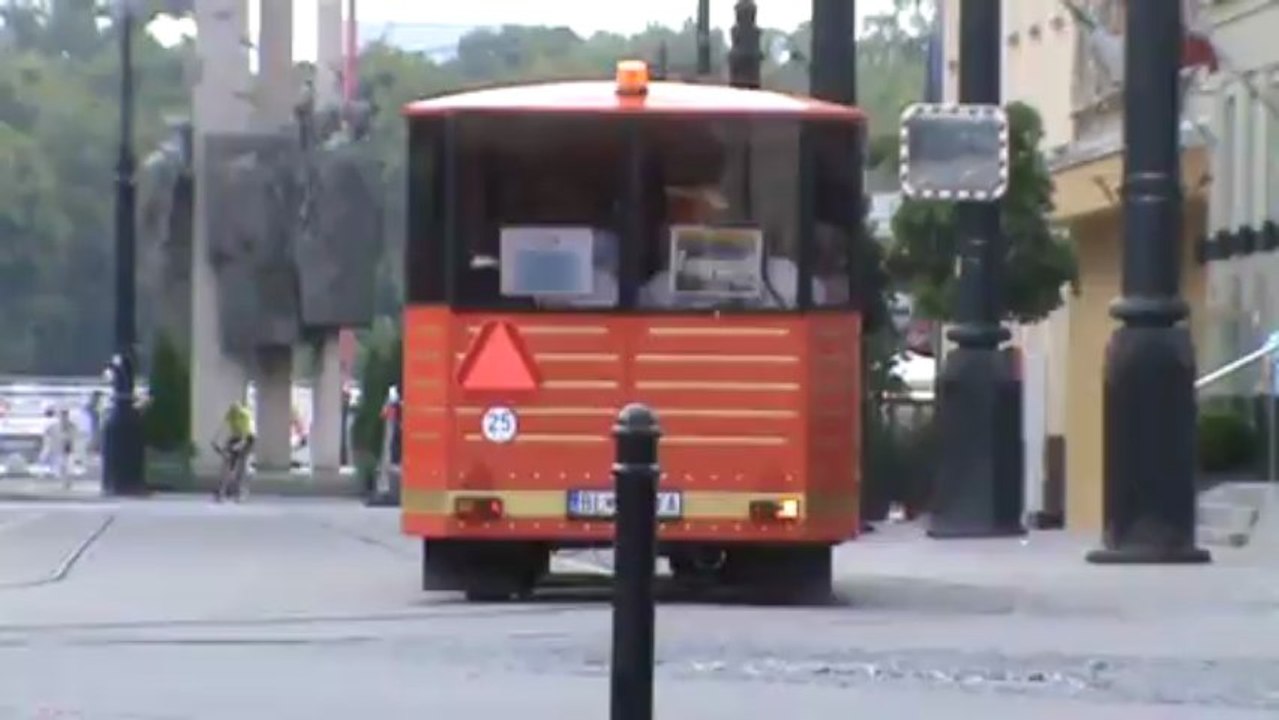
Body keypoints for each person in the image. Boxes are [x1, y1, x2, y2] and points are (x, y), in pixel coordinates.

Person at [215, 398, 255, 502]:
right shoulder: (230, 414)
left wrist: (237, 447)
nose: (233, 416)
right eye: (232, 412)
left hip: (248, 438)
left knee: (242, 465)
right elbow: (222, 427)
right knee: (226, 464)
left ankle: (241, 492)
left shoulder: (245, 415)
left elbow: (245, 437)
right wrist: (216, 440)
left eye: (235, 412)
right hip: (236, 437)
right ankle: (222, 491)